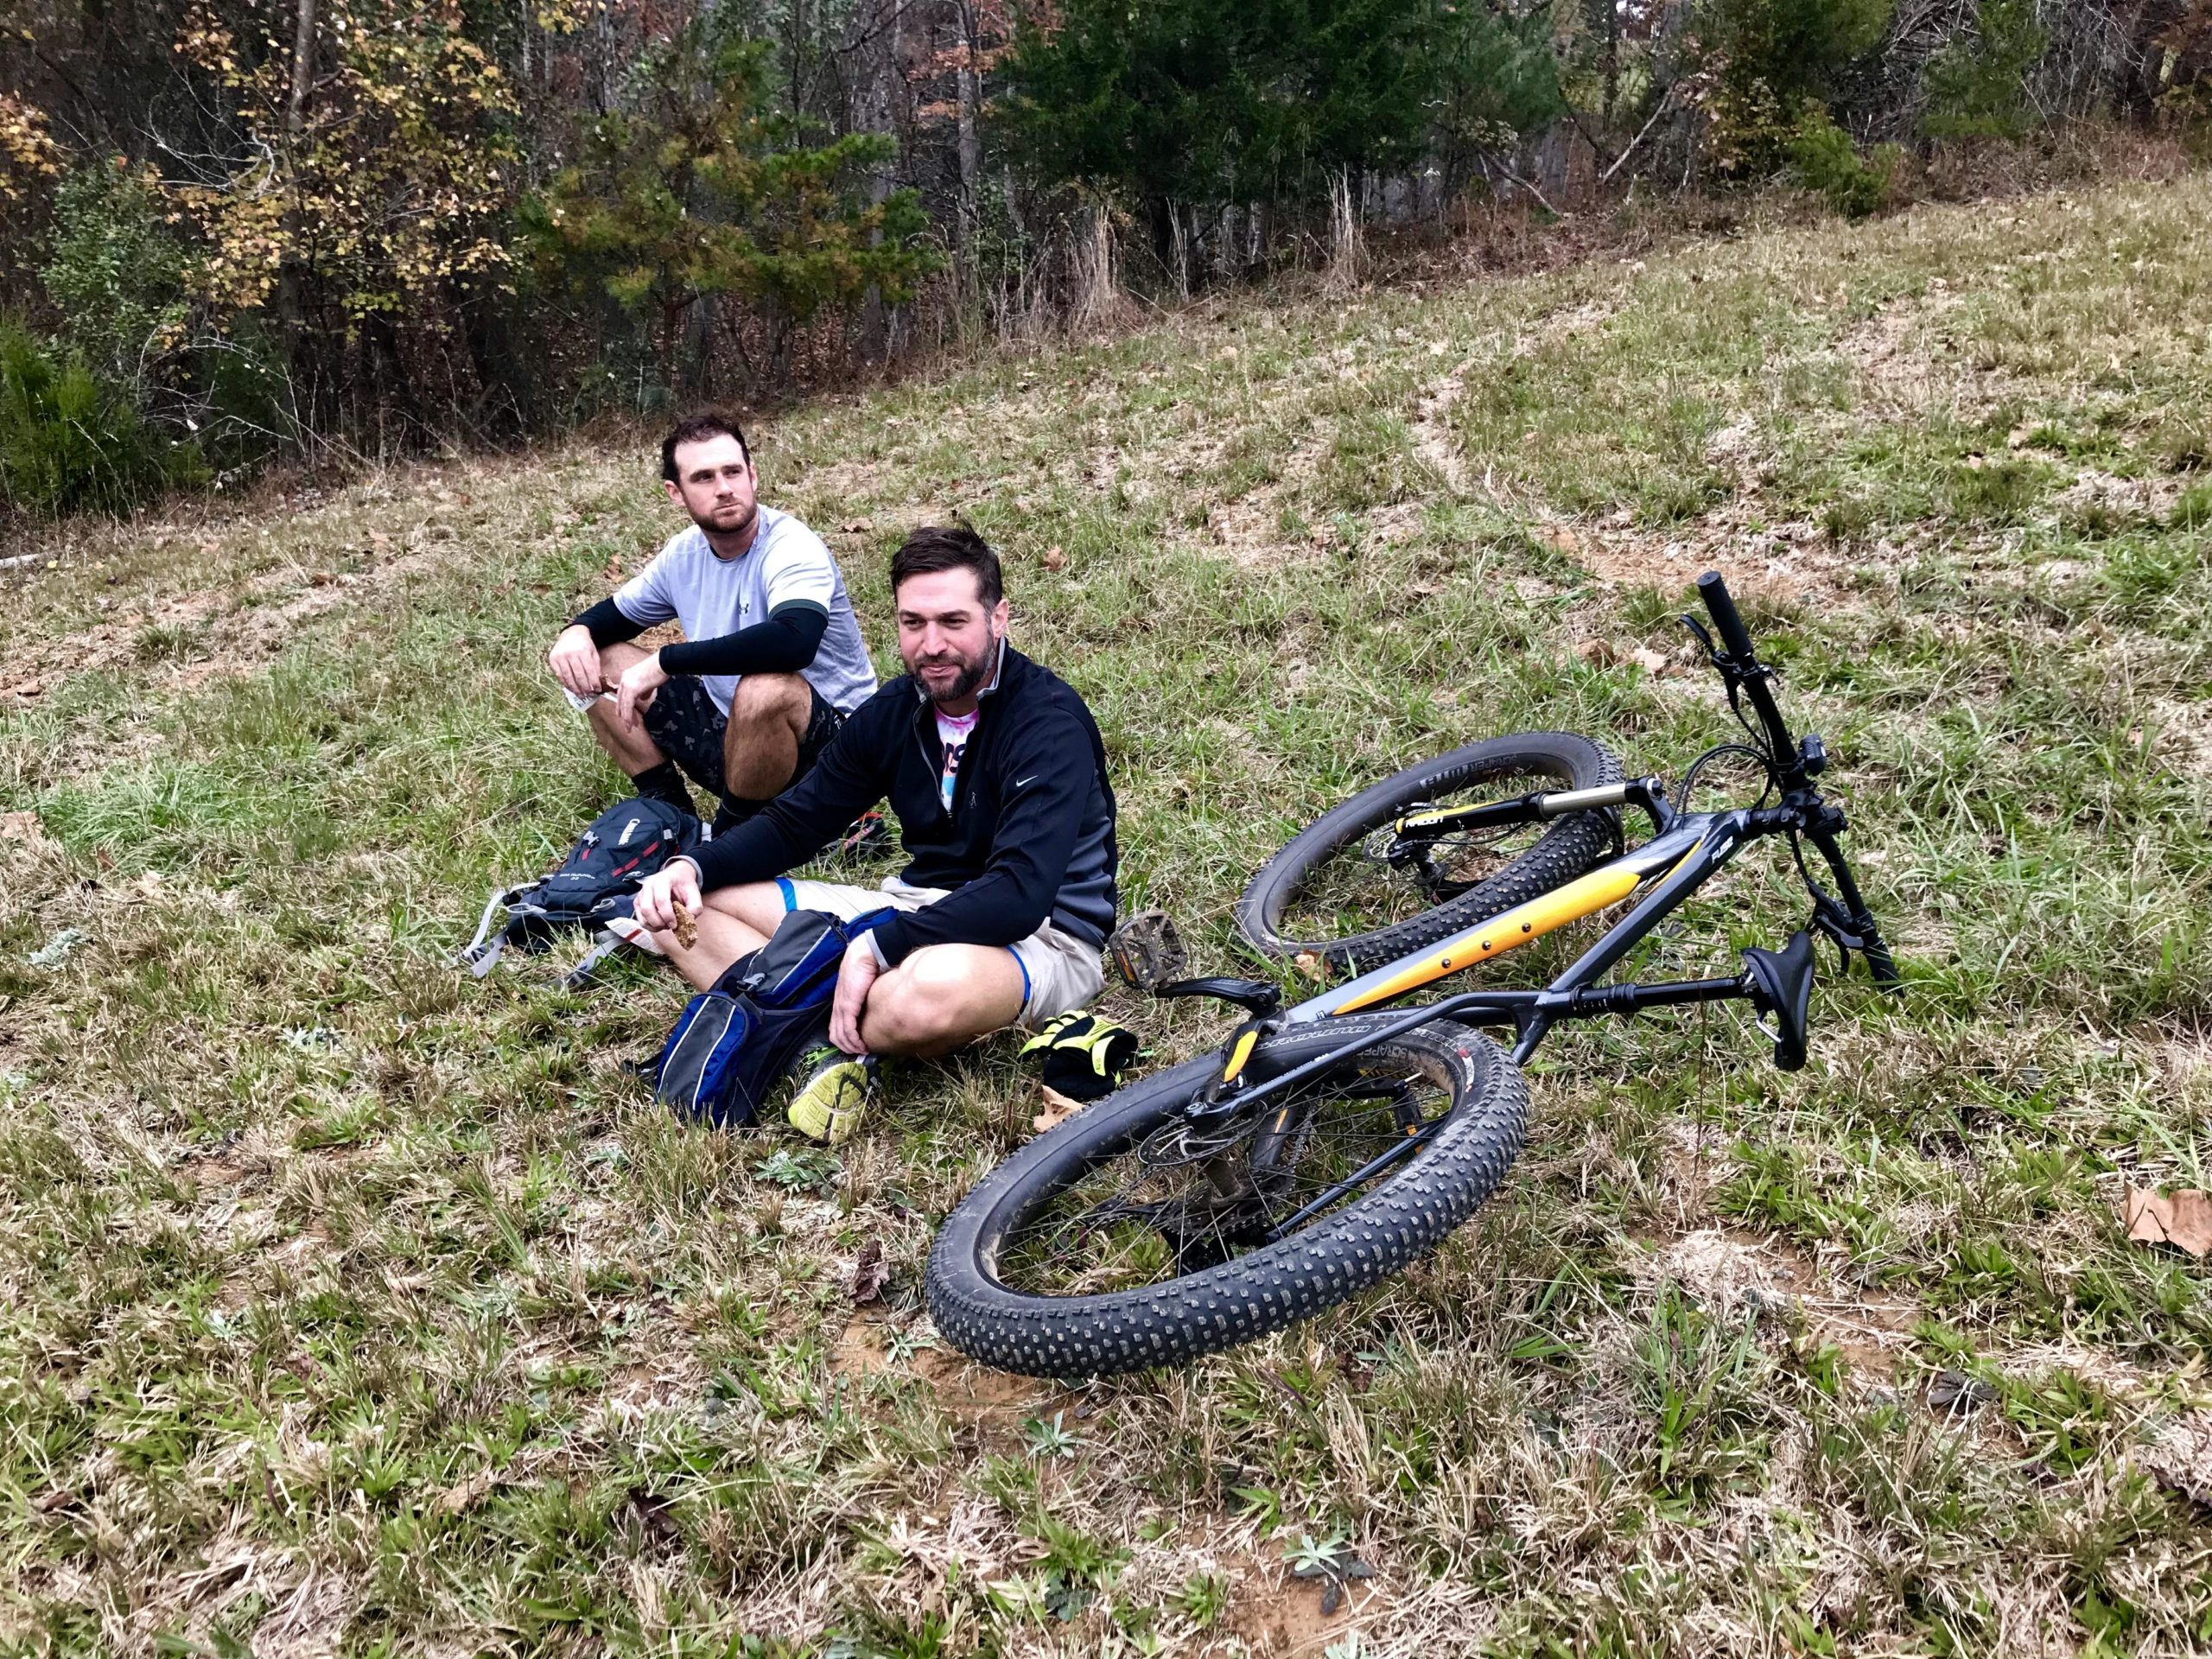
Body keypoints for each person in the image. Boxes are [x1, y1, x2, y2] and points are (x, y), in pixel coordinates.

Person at [631, 525, 1118, 1145]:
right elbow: (793, 822)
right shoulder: (896, 711)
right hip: (913, 907)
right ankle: (824, 1036)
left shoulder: (1047, 723)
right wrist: (691, 869)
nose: (932, 644)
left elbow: (1019, 894)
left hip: (1041, 938)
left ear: (999, 618)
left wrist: (877, 946)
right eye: (913, 623)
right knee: (682, 911)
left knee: (921, 995)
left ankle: (802, 1014)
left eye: (953, 621)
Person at [546, 412, 878, 836]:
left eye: (733, 471)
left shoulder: (791, 545)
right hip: (736, 736)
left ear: (752, 476)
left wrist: (667, 660)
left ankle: (735, 835)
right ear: (676, 493)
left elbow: (795, 642)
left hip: (836, 752)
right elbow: (610, 620)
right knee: (597, 658)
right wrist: (576, 632)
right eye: (703, 477)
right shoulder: (683, 555)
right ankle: (672, 817)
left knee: (766, 687)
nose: (724, 488)